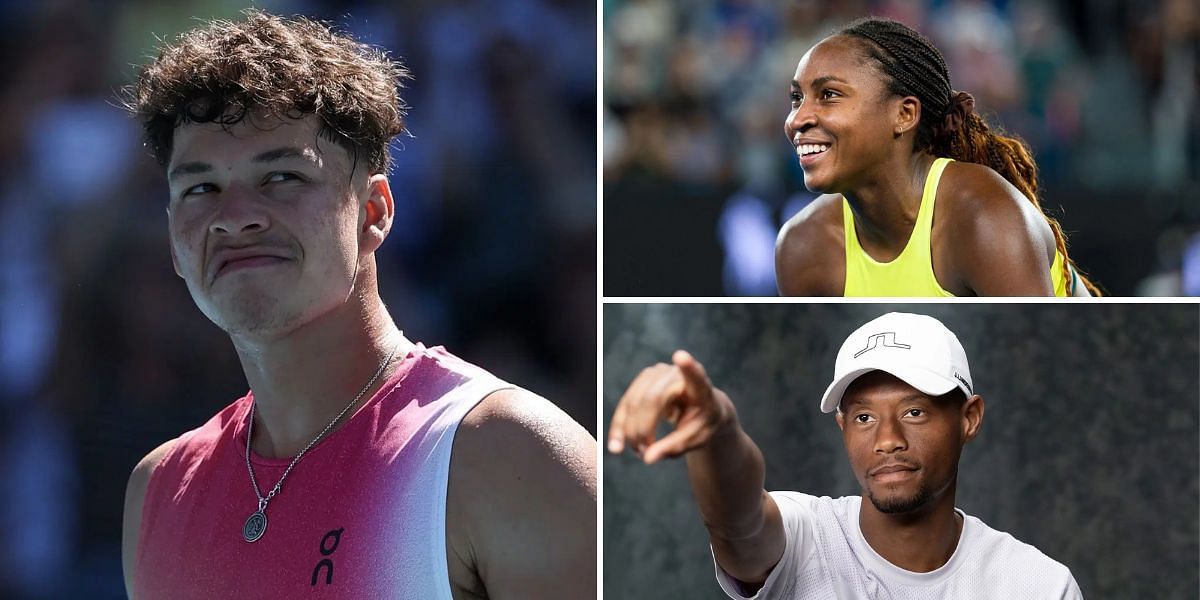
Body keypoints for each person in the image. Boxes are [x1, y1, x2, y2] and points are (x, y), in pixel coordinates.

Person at [119, 11, 595, 599]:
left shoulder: (505, 455)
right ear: (172, 240)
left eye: (282, 177)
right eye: (200, 188)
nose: (234, 216)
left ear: (374, 212)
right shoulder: (159, 491)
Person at [607, 312, 1083, 598]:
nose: (887, 439)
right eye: (863, 418)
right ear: (842, 426)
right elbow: (739, 523)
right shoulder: (805, 538)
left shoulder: (1036, 585)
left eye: (914, 412)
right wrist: (718, 431)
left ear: (969, 418)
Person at [774, 17, 1099, 297]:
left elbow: (1040, 363)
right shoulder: (803, 246)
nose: (797, 119)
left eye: (828, 95)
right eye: (796, 98)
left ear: (904, 114)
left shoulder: (984, 217)